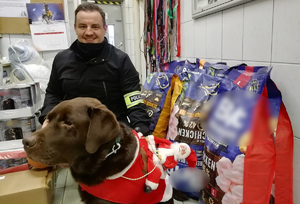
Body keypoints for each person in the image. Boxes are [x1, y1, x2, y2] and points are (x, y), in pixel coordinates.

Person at [39, 2, 151, 135]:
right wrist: (48, 118)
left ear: (105, 28)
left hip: (111, 130)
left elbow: (134, 102)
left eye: (95, 27)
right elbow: (53, 94)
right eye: (82, 26)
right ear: (75, 28)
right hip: (71, 131)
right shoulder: (61, 59)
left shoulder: (121, 60)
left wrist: (141, 131)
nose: (89, 32)